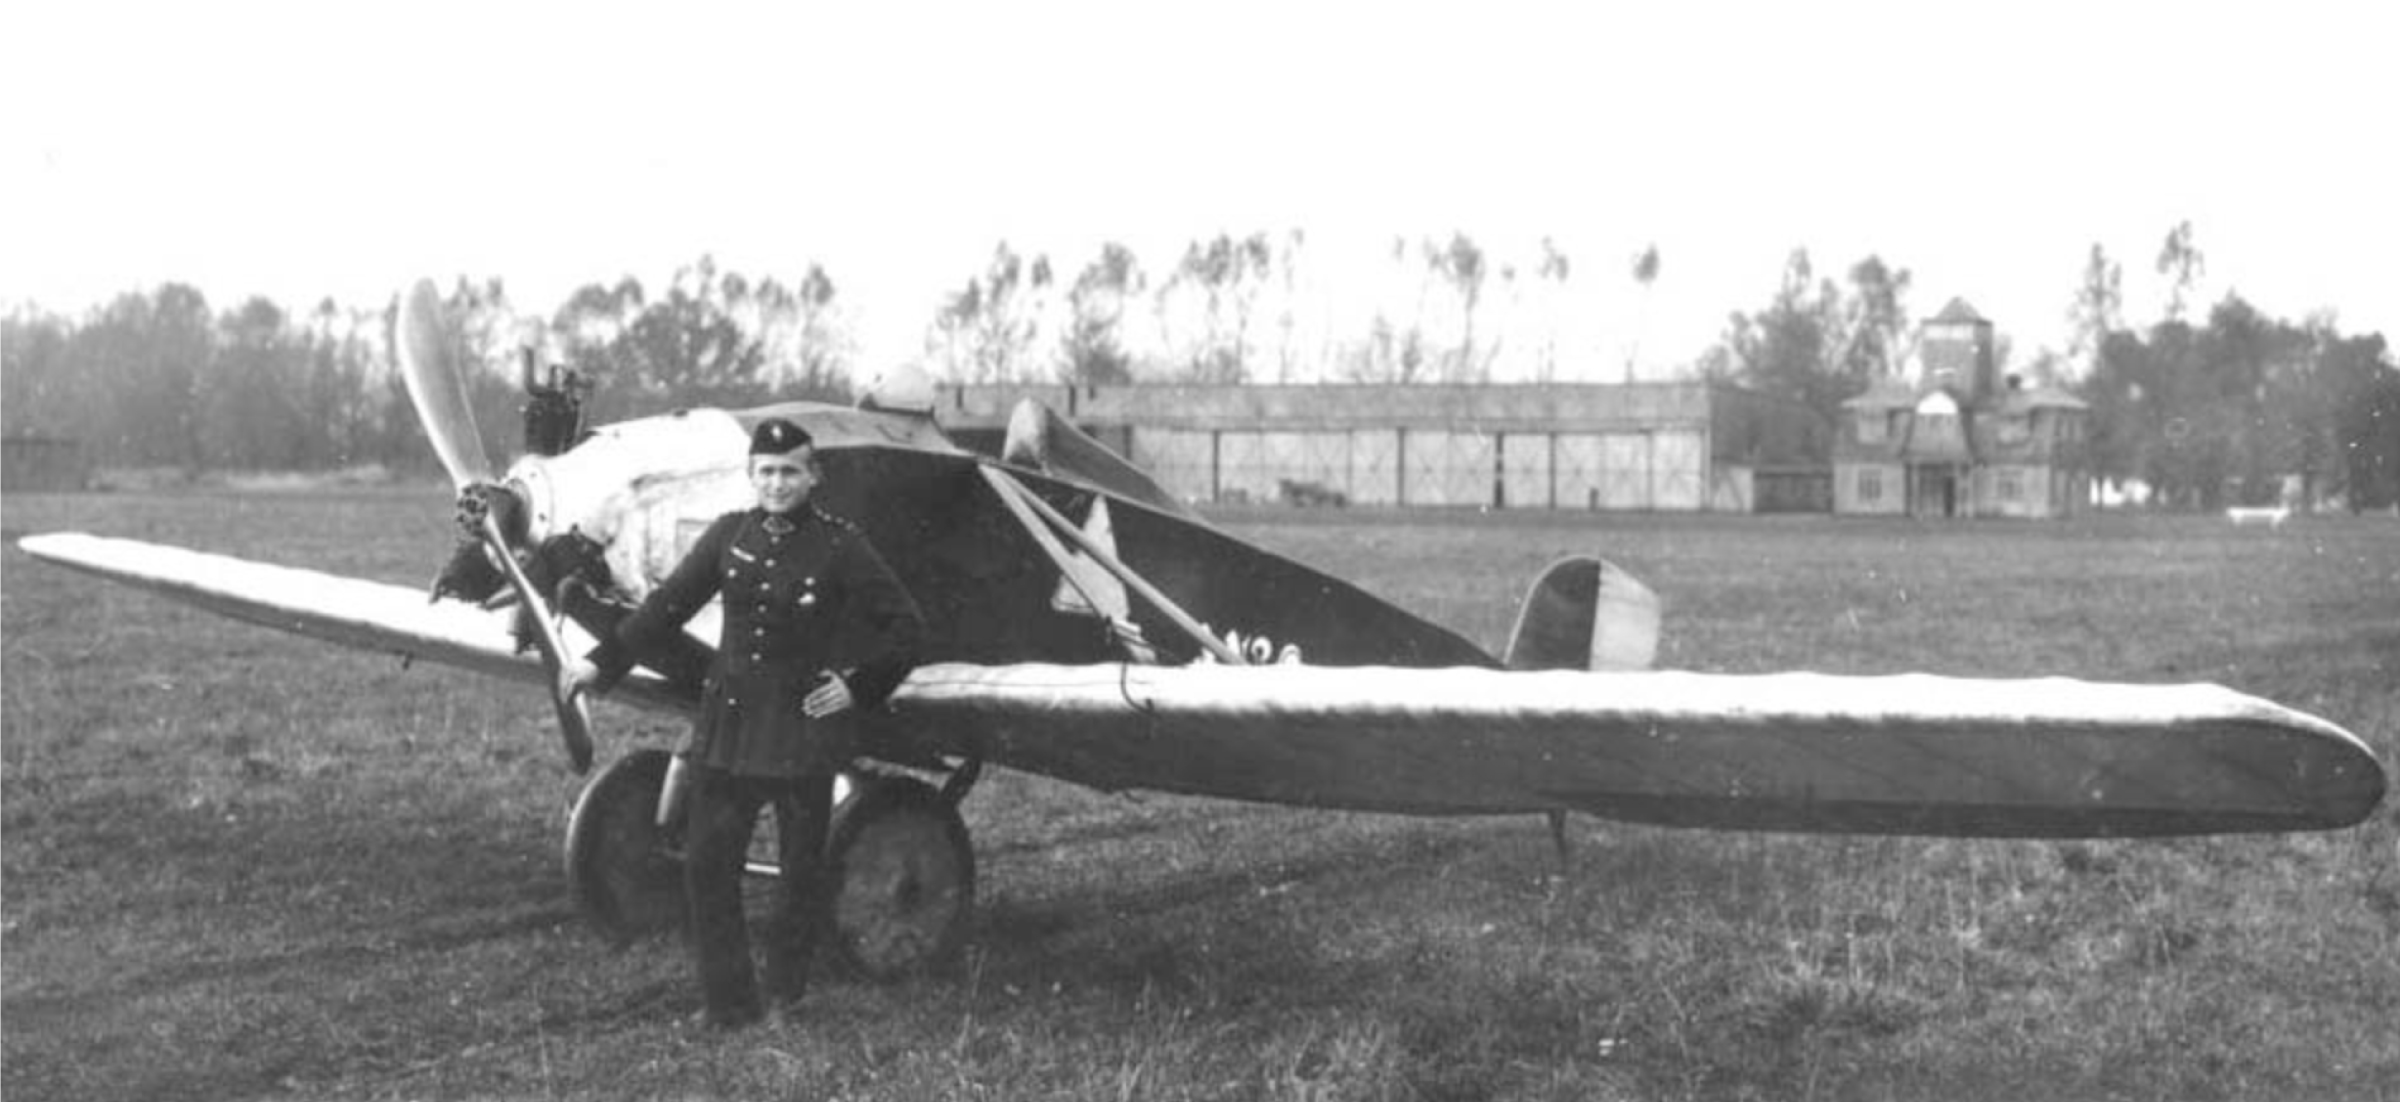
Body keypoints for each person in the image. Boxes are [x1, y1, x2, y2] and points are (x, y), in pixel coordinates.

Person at [566, 417, 923, 1029]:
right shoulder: (730, 536)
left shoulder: (840, 545)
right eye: (766, 472)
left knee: (799, 876)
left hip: (802, 733)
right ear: (751, 476)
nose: (778, 484)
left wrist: (855, 686)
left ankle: (787, 997)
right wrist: (600, 665)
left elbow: (906, 626)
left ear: (814, 476)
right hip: (729, 729)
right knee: (707, 866)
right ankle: (728, 1003)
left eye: (790, 472)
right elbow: (665, 608)